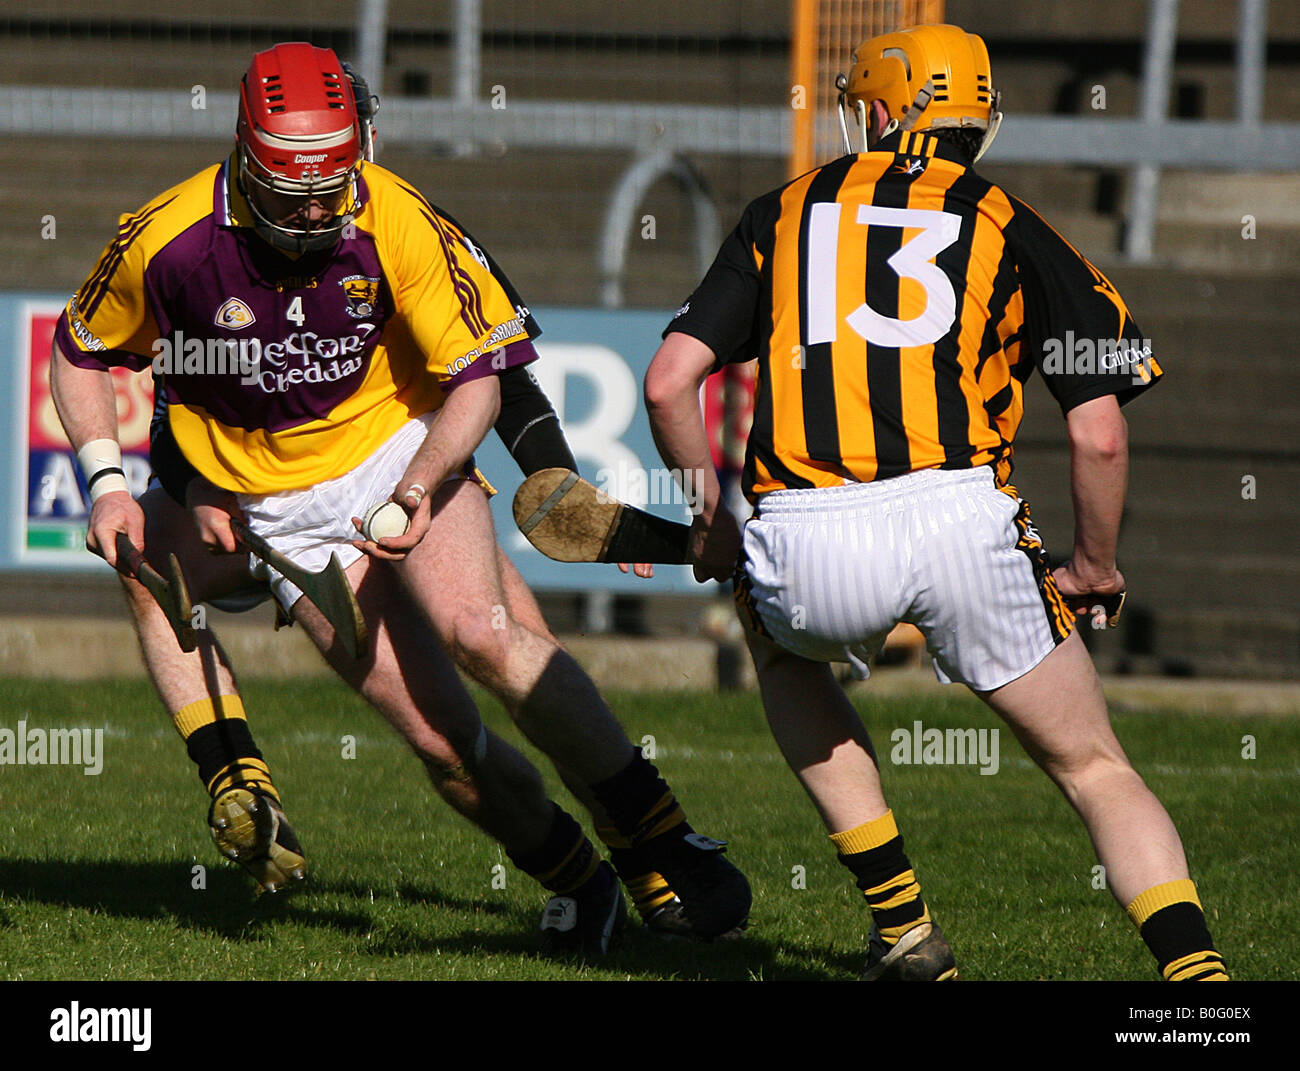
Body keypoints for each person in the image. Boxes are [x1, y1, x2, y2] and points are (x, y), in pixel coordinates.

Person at [50, 40, 749, 957]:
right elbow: (82, 350)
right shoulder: (168, 239)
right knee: (444, 746)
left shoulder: (399, 217)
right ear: (243, 154)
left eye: (327, 184)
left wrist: (421, 486)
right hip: (269, 507)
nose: (311, 210)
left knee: (485, 634)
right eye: (289, 189)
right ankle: (578, 881)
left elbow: (481, 381)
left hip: (394, 451)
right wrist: (112, 484)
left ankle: (660, 835)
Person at [643, 24, 1226, 980]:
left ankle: (905, 927)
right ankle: (1199, 986)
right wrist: (1093, 566)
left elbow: (670, 381)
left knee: (782, 655)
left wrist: (712, 515)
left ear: (878, 112)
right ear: (973, 119)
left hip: (807, 528)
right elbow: (1100, 432)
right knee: (1093, 767)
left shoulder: (784, 210)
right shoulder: (1007, 219)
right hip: (966, 518)